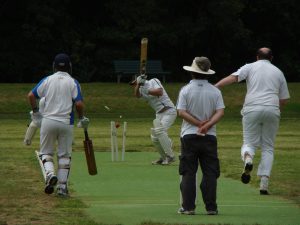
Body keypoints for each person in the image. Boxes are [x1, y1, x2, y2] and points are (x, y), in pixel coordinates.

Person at [215, 47, 290, 195]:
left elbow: (233, 78)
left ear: (257, 57)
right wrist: (276, 111)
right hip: (272, 109)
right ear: (272, 58)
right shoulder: (278, 72)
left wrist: (214, 87)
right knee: (268, 147)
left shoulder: (249, 67)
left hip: (252, 108)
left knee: (249, 143)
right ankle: (264, 184)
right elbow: (284, 99)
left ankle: (248, 159)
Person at [27, 53, 89, 197]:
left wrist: (36, 112)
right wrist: (82, 118)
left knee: (46, 153)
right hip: (66, 123)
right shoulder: (73, 82)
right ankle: (62, 188)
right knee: (64, 156)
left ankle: (49, 174)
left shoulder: (47, 80)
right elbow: (79, 103)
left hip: (48, 121)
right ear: (70, 67)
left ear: (54, 66)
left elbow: (31, 95)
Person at [177, 57, 225, 215]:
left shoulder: (185, 90)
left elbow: (181, 112)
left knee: (188, 172)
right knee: (210, 172)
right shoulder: (215, 91)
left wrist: (199, 125)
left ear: (192, 73)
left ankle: (188, 207)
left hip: (189, 136)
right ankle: (211, 207)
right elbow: (220, 112)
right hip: (209, 137)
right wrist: (207, 125)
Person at [133, 75, 177, 165]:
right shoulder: (141, 90)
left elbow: (159, 92)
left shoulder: (153, 81)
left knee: (159, 132)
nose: (135, 85)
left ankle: (170, 156)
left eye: (135, 83)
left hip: (169, 110)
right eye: (134, 84)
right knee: (154, 137)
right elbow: (137, 95)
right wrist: (138, 85)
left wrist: (146, 89)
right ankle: (163, 157)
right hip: (159, 114)